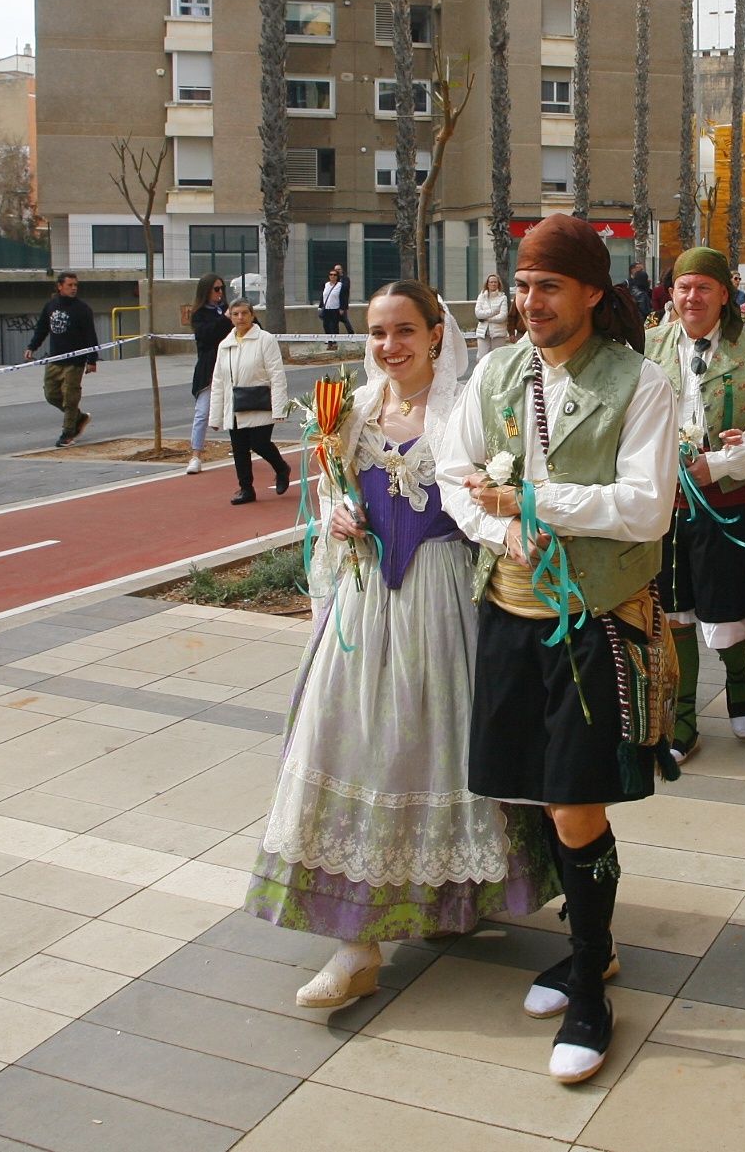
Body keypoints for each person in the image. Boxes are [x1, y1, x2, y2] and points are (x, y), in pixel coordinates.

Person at [246, 279, 558, 1007]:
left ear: (435, 335)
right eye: (379, 332)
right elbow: (332, 493)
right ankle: (354, 943)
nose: (390, 346)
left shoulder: (462, 412)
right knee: (349, 742)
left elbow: (493, 495)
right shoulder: (351, 410)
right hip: (364, 605)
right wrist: (339, 516)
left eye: (405, 331)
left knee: (437, 746)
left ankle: (445, 897)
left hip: (443, 599)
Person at [434, 212, 677, 1086]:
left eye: (548, 285)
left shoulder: (637, 382)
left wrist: (535, 504)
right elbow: (455, 474)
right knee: (534, 794)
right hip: (508, 609)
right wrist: (499, 535)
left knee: (576, 803)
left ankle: (588, 980)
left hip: (594, 619)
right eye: (523, 284)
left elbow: (646, 506)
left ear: (590, 293)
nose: (529, 301)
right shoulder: (495, 371)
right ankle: (590, 950)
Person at [644, 247, 745, 761]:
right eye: (684, 287)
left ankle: (737, 680)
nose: (692, 297)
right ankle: (683, 715)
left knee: (727, 603)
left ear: (724, 294)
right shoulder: (650, 345)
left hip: (723, 499)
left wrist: (725, 462)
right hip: (665, 503)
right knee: (674, 608)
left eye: (703, 287)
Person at [209, 298, 291, 505]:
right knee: (239, 448)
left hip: (260, 402)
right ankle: (246, 488)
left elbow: (277, 374)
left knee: (259, 443)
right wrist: (215, 416)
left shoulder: (265, 339)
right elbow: (218, 381)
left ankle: (281, 468)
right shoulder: (225, 345)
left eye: (244, 313)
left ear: (252, 315)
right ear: (230, 317)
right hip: (235, 405)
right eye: (235, 314)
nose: (240, 318)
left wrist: (279, 408)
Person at [24, 271, 99, 447]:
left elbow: (90, 335)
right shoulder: (51, 306)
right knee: (51, 394)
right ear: (60, 286)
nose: (74, 288)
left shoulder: (82, 309)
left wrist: (92, 360)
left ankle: (67, 434)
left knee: (71, 398)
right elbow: (42, 328)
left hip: (75, 361)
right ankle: (79, 418)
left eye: (76, 285)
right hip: (55, 359)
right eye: (70, 285)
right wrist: (32, 346)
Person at [187, 274, 232, 474]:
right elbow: (206, 337)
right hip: (209, 368)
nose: (220, 292)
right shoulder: (199, 314)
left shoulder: (230, 310)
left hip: (230, 366)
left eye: (222, 288)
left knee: (234, 409)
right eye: (216, 289)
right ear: (206, 291)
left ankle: (240, 448)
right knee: (202, 411)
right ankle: (196, 455)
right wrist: (225, 319)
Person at [475, 273, 511, 354]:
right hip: (483, 332)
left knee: (496, 357)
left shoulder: (502, 297)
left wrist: (487, 319)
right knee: (481, 357)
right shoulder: (481, 296)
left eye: (495, 282)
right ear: (487, 284)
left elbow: (503, 316)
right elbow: (478, 313)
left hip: (498, 333)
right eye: (491, 282)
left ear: (498, 284)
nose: (493, 284)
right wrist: (493, 312)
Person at [319, 264, 352, 343]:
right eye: (331, 275)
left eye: (334, 275)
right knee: (326, 325)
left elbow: (343, 297)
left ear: (337, 276)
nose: (332, 276)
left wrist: (342, 308)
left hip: (335, 309)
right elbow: (323, 295)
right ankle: (329, 341)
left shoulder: (341, 285)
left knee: (334, 326)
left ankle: (335, 342)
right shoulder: (326, 285)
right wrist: (320, 306)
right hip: (327, 308)